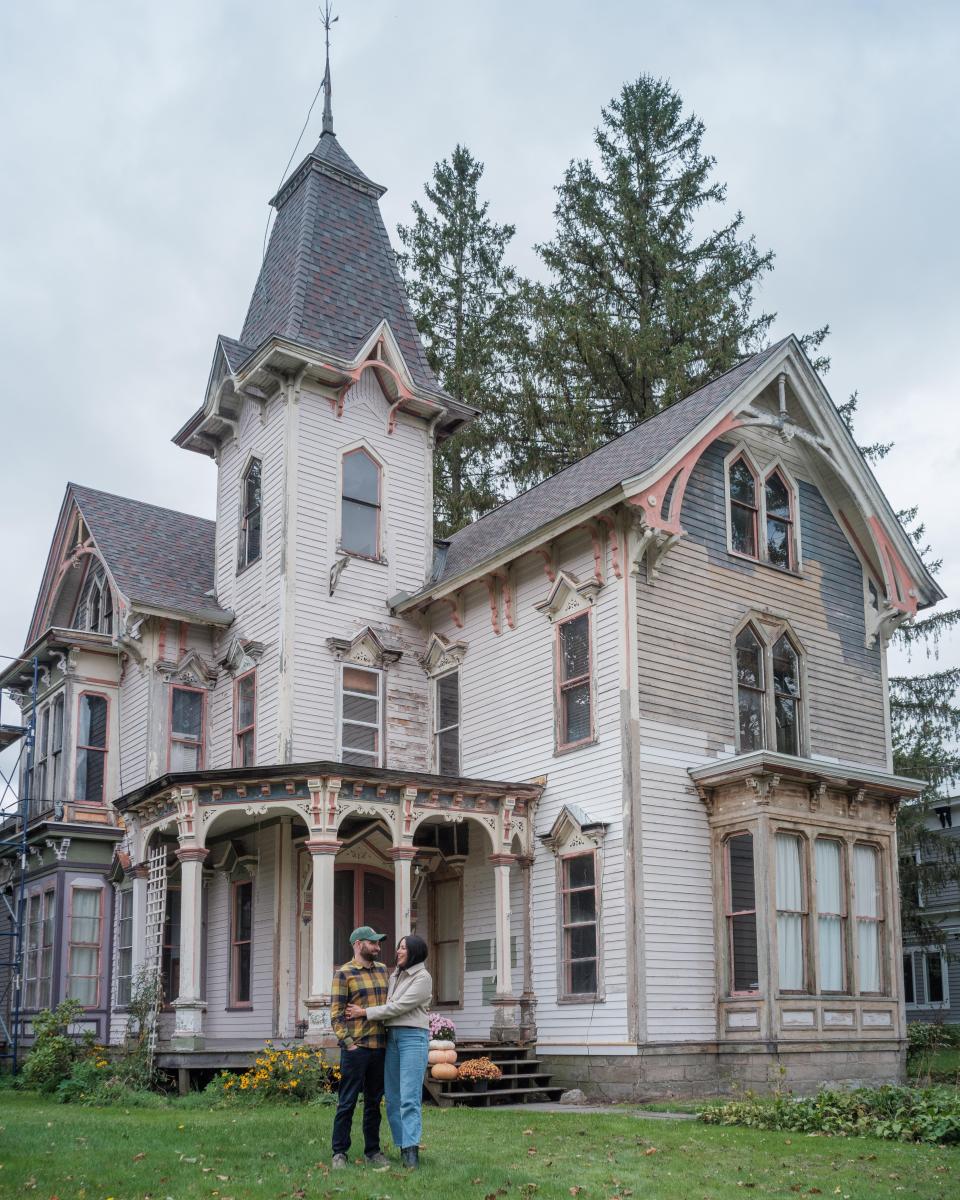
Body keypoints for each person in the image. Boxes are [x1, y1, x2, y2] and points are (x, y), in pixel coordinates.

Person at [346, 933, 432, 1169]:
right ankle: (402, 1144)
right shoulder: (395, 975)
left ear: (414, 951)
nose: (398, 951)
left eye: (403, 948)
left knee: (409, 1098)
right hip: (391, 1038)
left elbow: (398, 1007)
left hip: (413, 1038)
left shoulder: (422, 978)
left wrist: (364, 1013)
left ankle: (411, 1151)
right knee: (393, 1099)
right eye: (398, 948)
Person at [329, 925, 390, 1170]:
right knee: (347, 1101)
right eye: (373, 942)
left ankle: (372, 1151)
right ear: (358, 944)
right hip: (357, 1049)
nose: (378, 947)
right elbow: (335, 1015)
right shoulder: (344, 974)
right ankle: (339, 1152)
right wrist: (349, 1044)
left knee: (374, 1103)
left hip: (380, 1048)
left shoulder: (384, 970)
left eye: (378, 943)